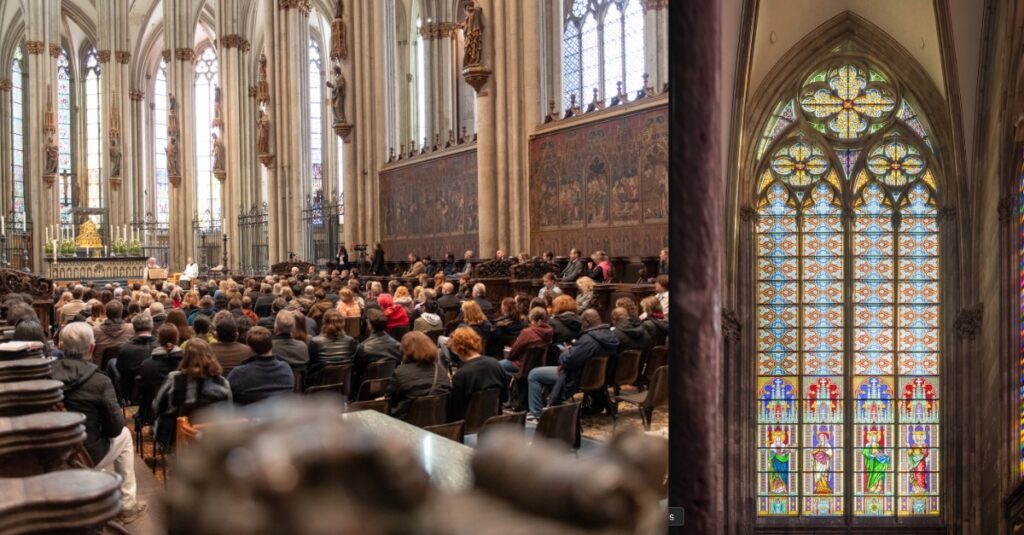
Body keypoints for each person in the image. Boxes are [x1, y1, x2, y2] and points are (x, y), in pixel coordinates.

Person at [51, 322, 148, 523]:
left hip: (51, 454)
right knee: (125, 436)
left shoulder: (44, 374)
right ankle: (126, 504)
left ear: (60, 345)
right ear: (91, 348)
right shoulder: (100, 382)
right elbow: (114, 429)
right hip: (86, 455)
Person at [526, 309, 619, 421]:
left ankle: (536, 414)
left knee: (534, 374)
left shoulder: (588, 340)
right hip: (598, 378)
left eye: (582, 322)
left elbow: (568, 361)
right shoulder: (611, 335)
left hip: (577, 377)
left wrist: (565, 352)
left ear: (587, 322)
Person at [151, 338, 231, 446]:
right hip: (214, 440)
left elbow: (157, 406)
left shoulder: (174, 380)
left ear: (186, 357)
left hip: (174, 439)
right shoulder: (222, 383)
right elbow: (229, 412)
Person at [387, 331, 452, 421]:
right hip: (436, 421)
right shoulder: (441, 370)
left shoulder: (400, 373)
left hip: (407, 423)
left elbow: (390, 400)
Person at [447, 327, 507, 421]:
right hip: (493, 424)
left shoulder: (461, 375)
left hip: (467, 426)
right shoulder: (496, 364)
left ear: (457, 348)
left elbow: (454, 411)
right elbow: (504, 397)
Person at [227, 326, 295, 405]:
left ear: (250, 348)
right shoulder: (286, 368)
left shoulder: (238, 373)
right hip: (282, 416)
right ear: (271, 344)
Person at [137, 324, 185, 426]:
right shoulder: (186, 362)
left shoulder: (147, 364)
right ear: (177, 339)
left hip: (154, 414)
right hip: (182, 414)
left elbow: (142, 391)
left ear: (158, 339)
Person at [307, 309, 358, 384]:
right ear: (342, 323)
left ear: (323, 323)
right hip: (344, 384)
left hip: (320, 385)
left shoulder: (315, 341)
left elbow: (309, 364)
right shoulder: (350, 340)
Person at [353, 309, 402, 385]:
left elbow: (358, 371)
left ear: (369, 324)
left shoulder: (363, 348)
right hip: (390, 383)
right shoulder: (397, 345)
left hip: (367, 388)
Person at [115, 314, 156, 403]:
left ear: (134, 328)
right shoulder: (161, 345)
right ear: (152, 327)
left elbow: (120, 370)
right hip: (156, 392)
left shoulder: (125, 348)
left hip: (131, 393)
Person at [501, 307, 554, 374]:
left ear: (531, 317)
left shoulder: (527, 332)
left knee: (496, 366)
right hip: (537, 367)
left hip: (521, 366)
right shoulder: (549, 332)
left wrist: (509, 356)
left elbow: (513, 353)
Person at [93, 300, 135, 367]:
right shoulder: (132, 328)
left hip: (100, 369)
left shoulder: (95, 330)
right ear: (121, 313)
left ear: (106, 313)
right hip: (125, 369)